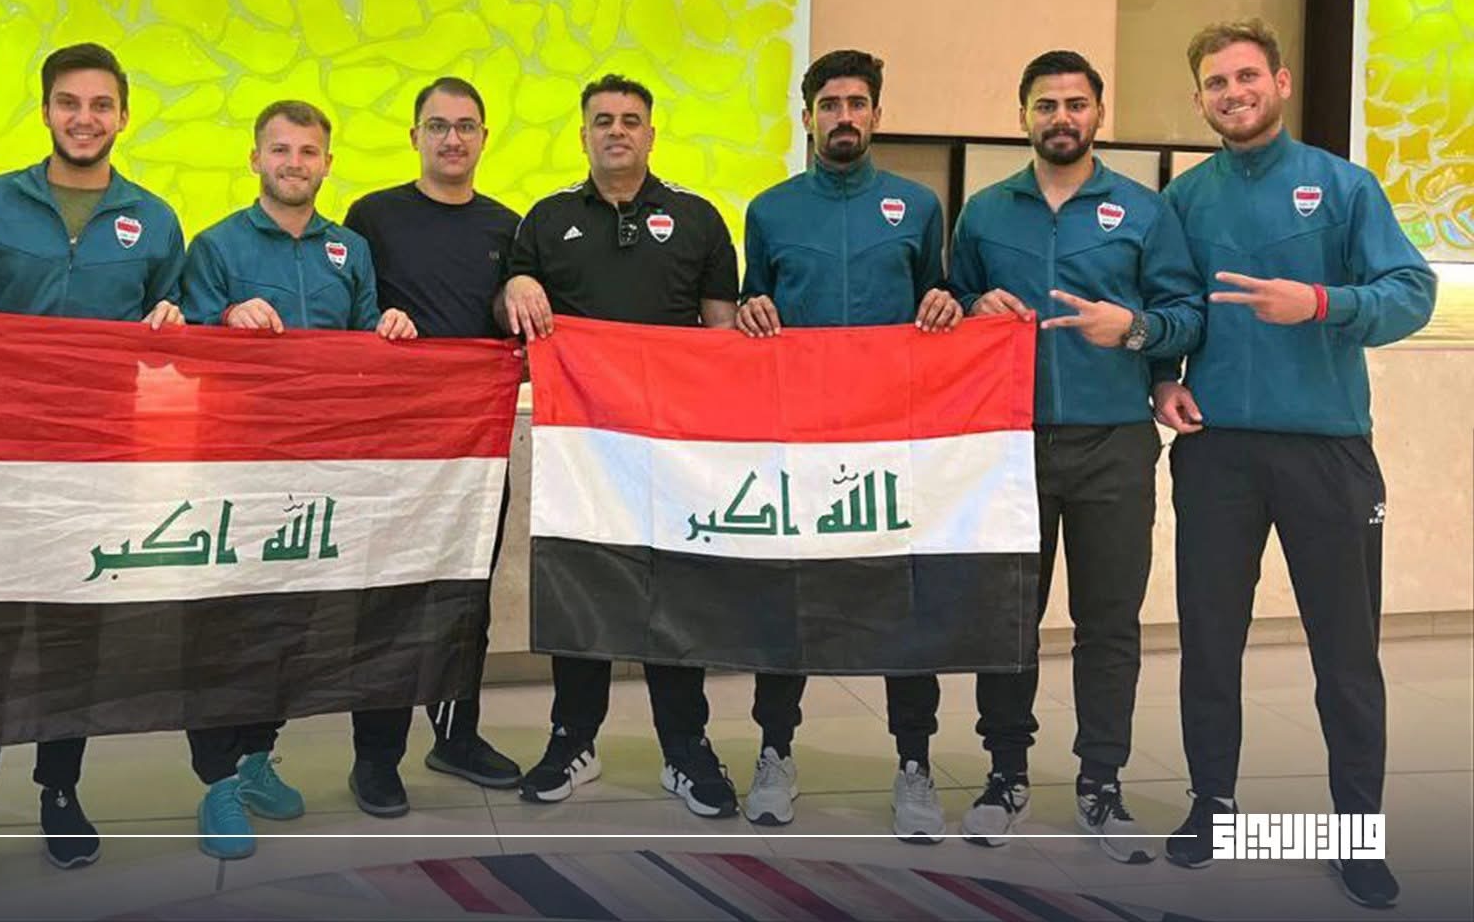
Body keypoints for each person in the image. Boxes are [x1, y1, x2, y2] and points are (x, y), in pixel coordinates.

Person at [1154, 20, 1436, 909]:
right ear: (1199, 100)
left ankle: (1356, 834)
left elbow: (1412, 293)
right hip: (1217, 454)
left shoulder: (1344, 187)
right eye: (1216, 83)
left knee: (1346, 656)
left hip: (1328, 451)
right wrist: (1162, 376)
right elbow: (1171, 307)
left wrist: (1319, 301)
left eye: (1246, 76)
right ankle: (1213, 806)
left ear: (1279, 82)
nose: (1232, 93)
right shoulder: (1184, 201)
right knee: (1209, 643)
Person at [0, 42, 186, 896]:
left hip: (97, 460)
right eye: (69, 103)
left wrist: (174, 328)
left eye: (101, 105)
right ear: (45, 112)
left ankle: (60, 792)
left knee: (74, 638)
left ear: (123, 116)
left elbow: (174, 333)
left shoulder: (156, 219)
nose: (84, 118)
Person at [947, 50, 1204, 861]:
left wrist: (1132, 330)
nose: (1062, 117)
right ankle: (1006, 775)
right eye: (1046, 104)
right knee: (1008, 623)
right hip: (1008, 447)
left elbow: (1185, 313)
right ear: (1022, 115)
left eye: (1076, 103)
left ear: (1099, 112)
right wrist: (972, 306)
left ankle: (1101, 782)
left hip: (1114, 446)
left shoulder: (1143, 211)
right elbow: (948, 306)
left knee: (1108, 625)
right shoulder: (985, 212)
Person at [500, 73, 742, 819]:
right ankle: (573, 740)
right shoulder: (546, 221)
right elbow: (512, 308)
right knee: (582, 590)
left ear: (650, 135)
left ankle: (685, 747)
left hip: (674, 447)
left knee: (676, 595)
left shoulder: (698, 219)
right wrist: (515, 283)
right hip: (583, 450)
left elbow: (722, 335)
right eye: (602, 120)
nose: (616, 130)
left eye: (630, 120)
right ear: (583, 135)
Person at [179, 99, 417, 859]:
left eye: (308, 151)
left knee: (291, 627)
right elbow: (182, 347)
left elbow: (369, 340)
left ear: (327, 164)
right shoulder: (215, 245)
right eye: (280, 149)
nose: (294, 163)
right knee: (228, 629)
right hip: (237, 470)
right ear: (256, 159)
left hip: (323, 472)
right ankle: (217, 782)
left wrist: (390, 330)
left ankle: (256, 759)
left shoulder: (351, 249)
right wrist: (225, 318)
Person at [736, 49, 961, 832]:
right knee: (788, 603)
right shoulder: (769, 210)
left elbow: (939, 300)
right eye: (828, 104)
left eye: (856, 103)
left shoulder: (917, 205)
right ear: (807, 118)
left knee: (904, 603)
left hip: (893, 442)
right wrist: (752, 312)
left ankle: (914, 764)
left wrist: (944, 303)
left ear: (876, 115)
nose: (843, 117)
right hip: (797, 439)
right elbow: (751, 304)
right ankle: (774, 751)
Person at [341, 77, 524, 815]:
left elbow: (519, 319)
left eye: (466, 126)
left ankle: (456, 736)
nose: (453, 139)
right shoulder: (372, 217)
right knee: (388, 599)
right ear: (414, 135)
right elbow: (351, 311)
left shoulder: (509, 227)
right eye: (438, 126)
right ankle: (375, 757)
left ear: (484, 137)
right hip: (391, 445)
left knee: (465, 598)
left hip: (475, 450)